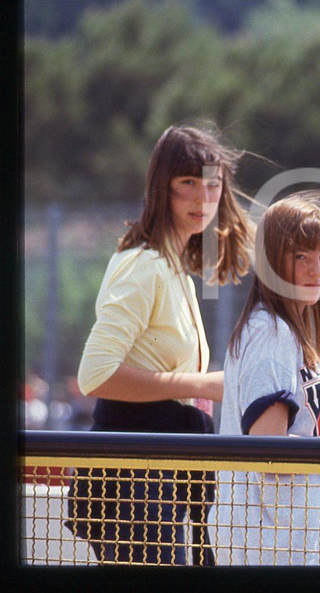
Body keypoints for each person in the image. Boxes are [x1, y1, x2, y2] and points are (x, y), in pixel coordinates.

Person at [65, 120, 254, 565]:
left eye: (212, 185)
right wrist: (200, 385)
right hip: (134, 479)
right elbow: (94, 375)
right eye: (187, 182)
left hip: (163, 476)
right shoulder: (144, 264)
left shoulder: (171, 266)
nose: (202, 198)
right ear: (161, 188)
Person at [210, 192, 320, 566]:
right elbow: (272, 454)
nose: (316, 270)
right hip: (273, 546)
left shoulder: (288, 331)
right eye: (301, 256)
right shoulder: (270, 331)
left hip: (297, 539)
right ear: (273, 261)